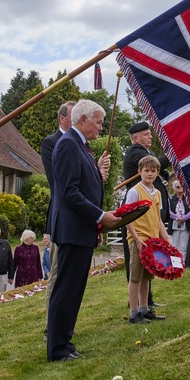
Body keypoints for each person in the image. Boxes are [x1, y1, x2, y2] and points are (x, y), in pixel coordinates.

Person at [47, 99, 118, 361]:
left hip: (81, 230)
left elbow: (87, 186)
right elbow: (69, 192)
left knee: (74, 291)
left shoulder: (82, 147)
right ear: (83, 119)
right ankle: (56, 349)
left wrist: (96, 224)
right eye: (98, 122)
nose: (101, 127)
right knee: (65, 290)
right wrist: (100, 215)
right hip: (70, 230)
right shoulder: (67, 144)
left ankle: (65, 341)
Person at [122, 122, 170, 305]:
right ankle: (134, 305)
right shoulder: (135, 151)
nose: (150, 137)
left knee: (148, 268)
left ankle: (146, 302)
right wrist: (174, 153)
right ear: (135, 138)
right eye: (146, 134)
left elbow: (161, 170)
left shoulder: (147, 154)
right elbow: (157, 164)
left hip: (150, 217)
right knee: (136, 268)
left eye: (150, 134)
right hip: (137, 217)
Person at [40, 101, 76, 329]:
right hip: (62, 217)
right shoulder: (51, 143)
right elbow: (59, 184)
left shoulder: (82, 145)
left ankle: (65, 325)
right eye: (75, 115)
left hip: (77, 219)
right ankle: (51, 328)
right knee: (56, 274)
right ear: (62, 118)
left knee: (71, 277)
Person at [125, 156, 171, 323]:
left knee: (147, 277)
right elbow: (127, 217)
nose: (150, 174)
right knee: (136, 276)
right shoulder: (134, 191)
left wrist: (165, 238)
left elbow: (158, 219)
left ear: (158, 173)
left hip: (152, 241)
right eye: (146, 170)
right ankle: (133, 312)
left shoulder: (157, 193)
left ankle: (145, 309)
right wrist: (136, 239)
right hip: (139, 239)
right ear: (139, 172)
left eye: (153, 171)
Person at [167, 180, 190, 266]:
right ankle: (174, 264)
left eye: (182, 186)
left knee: (184, 246)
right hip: (174, 225)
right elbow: (169, 211)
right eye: (178, 187)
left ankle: (182, 264)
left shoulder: (189, 199)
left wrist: (184, 218)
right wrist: (177, 218)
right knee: (174, 245)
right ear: (174, 188)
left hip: (186, 225)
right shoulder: (171, 199)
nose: (180, 189)